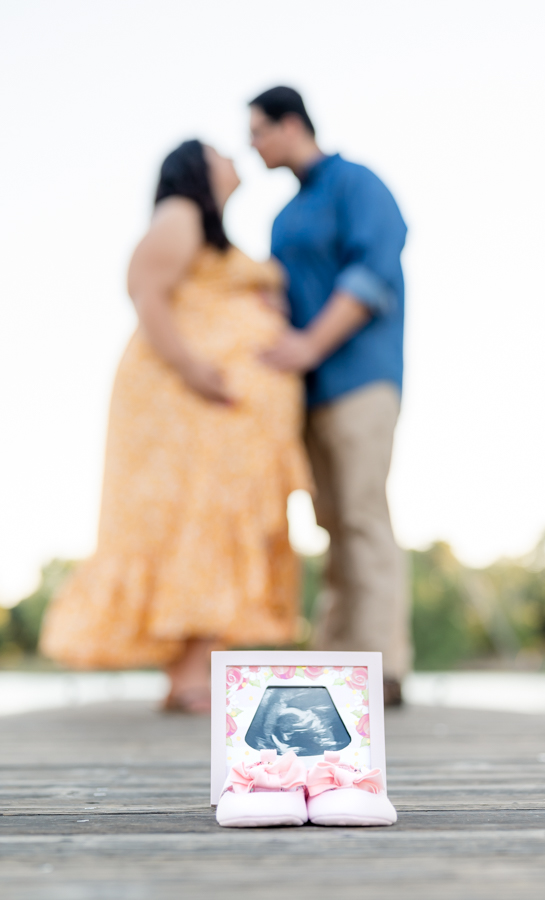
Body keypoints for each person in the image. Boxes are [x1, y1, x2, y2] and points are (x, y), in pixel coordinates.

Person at [40, 140, 311, 712]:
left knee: (211, 524)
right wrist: (196, 370)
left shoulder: (206, 230)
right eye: (218, 150)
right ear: (195, 167)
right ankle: (191, 677)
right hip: (186, 406)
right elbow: (146, 289)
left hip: (210, 410)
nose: (233, 154)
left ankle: (191, 673)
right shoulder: (181, 212)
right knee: (200, 522)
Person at [249, 87, 412, 704]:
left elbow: (370, 275)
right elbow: (278, 296)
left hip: (360, 379)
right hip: (306, 395)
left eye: (260, 132)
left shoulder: (357, 183)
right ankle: (339, 665)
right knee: (332, 524)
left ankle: (385, 667)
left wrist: (311, 344)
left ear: (291, 125)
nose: (255, 146)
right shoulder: (284, 218)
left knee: (364, 516)